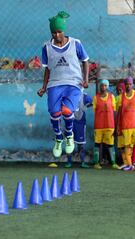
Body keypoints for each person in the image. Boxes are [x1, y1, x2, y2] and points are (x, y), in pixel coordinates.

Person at [37, 11, 89, 159]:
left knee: (66, 110)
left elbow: (85, 61)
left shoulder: (75, 43)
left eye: (59, 32)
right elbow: (47, 69)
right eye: (54, 32)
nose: (57, 35)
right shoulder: (46, 47)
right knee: (54, 113)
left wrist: (85, 79)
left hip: (74, 83)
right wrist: (44, 87)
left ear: (64, 30)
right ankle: (59, 137)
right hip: (54, 84)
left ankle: (68, 134)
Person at [116, 76, 135, 171]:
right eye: (127, 84)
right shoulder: (121, 97)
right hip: (125, 126)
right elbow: (120, 113)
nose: (128, 86)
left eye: (130, 84)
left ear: (132, 85)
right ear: (125, 86)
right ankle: (129, 165)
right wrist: (118, 126)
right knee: (127, 146)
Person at [92, 79, 120, 170]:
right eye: (101, 85)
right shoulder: (95, 98)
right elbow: (95, 111)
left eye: (105, 85)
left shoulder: (111, 97)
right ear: (100, 87)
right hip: (99, 125)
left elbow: (114, 111)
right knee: (97, 144)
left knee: (111, 145)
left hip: (110, 125)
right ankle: (96, 163)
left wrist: (115, 125)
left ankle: (113, 163)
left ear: (107, 87)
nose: (103, 87)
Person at [65, 92, 92, 168]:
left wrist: (85, 107)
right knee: (69, 142)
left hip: (81, 123)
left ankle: (82, 162)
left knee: (81, 144)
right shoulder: (68, 94)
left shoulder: (84, 96)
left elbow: (91, 102)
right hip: (70, 121)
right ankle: (69, 161)